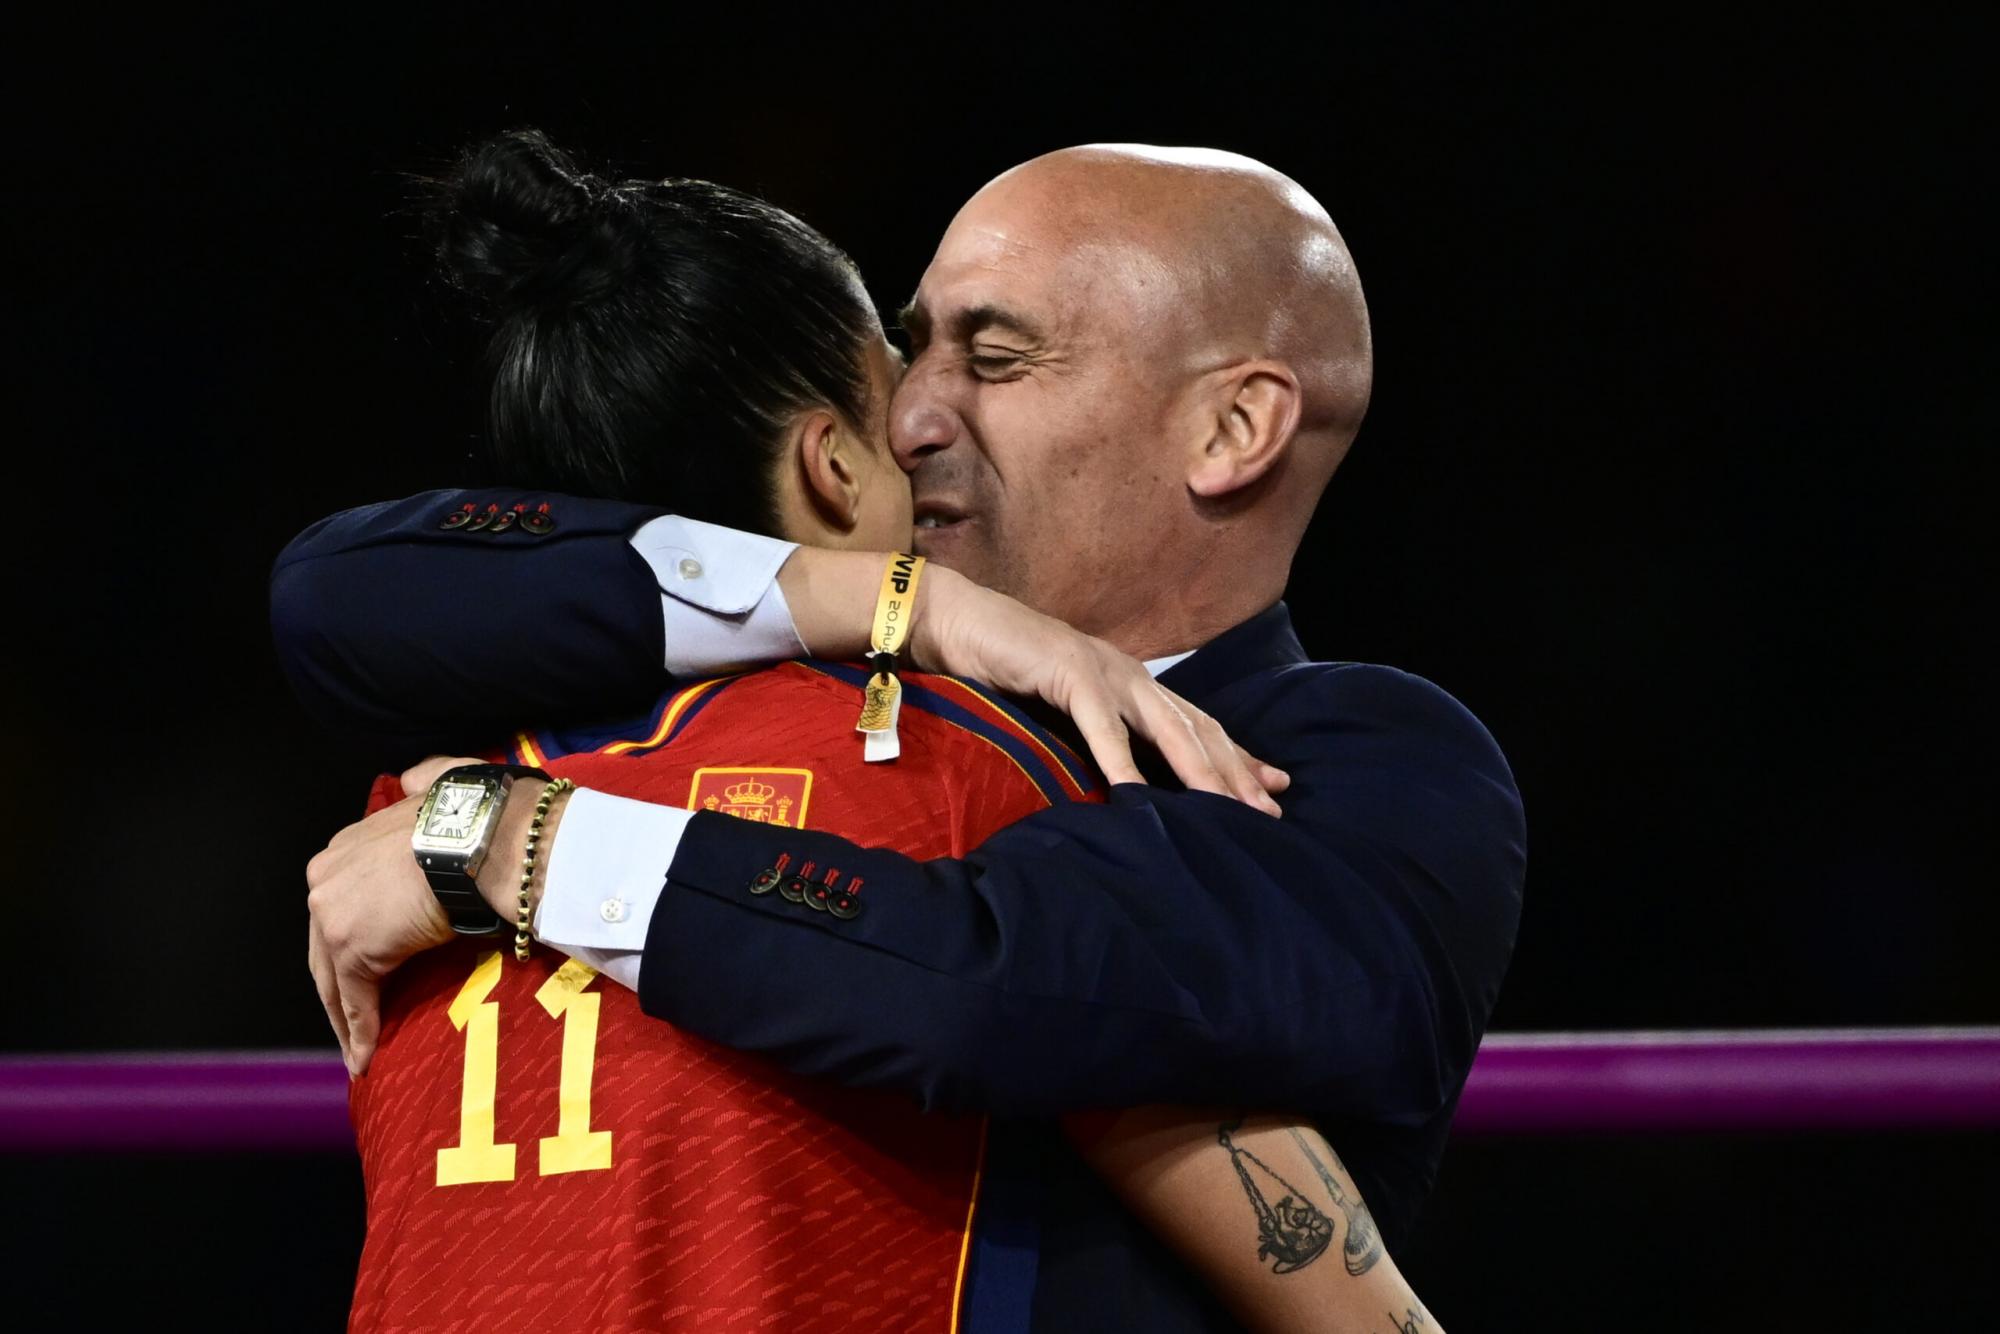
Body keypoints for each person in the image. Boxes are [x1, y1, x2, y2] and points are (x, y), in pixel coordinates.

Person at [281, 140, 1520, 1331]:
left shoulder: (1357, 758)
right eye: (912, 346)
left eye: (997, 354)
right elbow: (335, 593)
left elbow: (995, 980)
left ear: (1230, 429)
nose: (912, 412)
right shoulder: (783, 681)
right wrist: (893, 602)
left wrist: (525, 841)